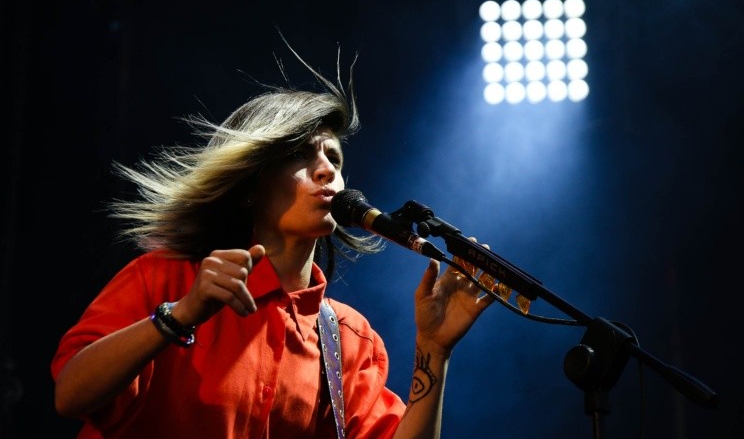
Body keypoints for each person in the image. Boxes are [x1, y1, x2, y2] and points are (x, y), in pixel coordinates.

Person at [51, 41, 496, 439]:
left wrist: (434, 353)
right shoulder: (166, 278)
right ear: (251, 184)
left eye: (334, 159)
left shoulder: (346, 337)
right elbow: (71, 396)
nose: (327, 171)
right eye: (300, 155)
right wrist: (182, 315)